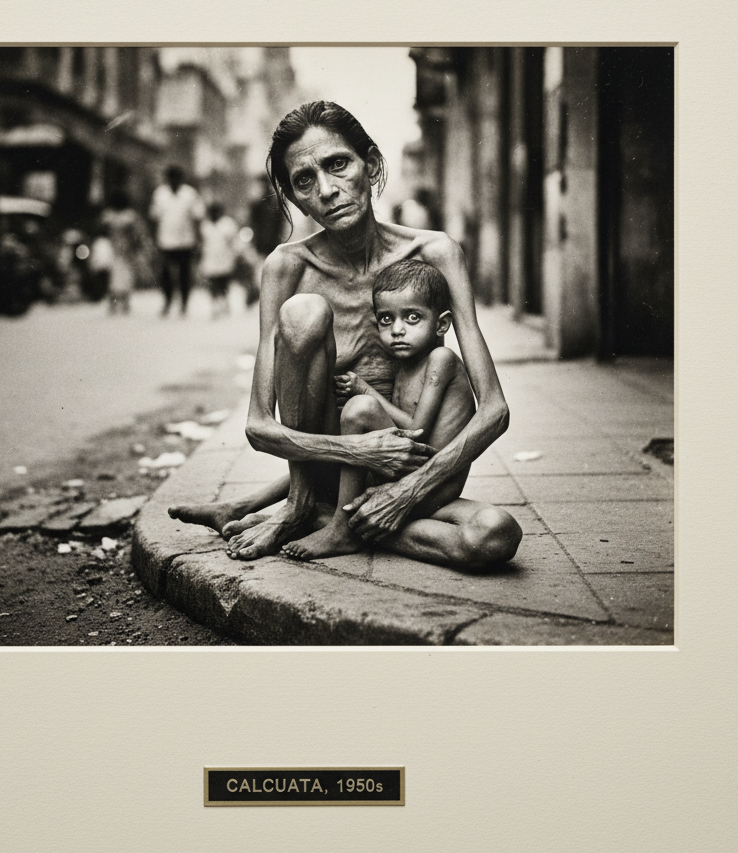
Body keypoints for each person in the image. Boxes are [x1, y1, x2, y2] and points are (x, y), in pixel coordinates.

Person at [168, 101, 521, 572]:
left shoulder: (435, 252)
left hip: (418, 479)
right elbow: (258, 426)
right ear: (294, 199)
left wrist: (405, 492)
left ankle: (325, 519)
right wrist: (356, 449)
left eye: (338, 165)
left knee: (495, 536)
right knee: (304, 313)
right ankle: (304, 506)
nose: (328, 191)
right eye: (304, 180)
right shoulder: (286, 268)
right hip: (337, 469)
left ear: (370, 166)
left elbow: (494, 409)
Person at [281, 259, 475, 560]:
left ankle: (341, 529)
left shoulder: (442, 359)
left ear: (441, 324)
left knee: (361, 409)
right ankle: (279, 508)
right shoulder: (405, 365)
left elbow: (416, 432)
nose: (397, 330)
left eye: (412, 318)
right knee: (341, 434)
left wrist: (365, 391)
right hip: (409, 475)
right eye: (386, 319)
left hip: (429, 485)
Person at [149, 165, 204, 316]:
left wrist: (199, 240)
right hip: (165, 241)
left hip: (186, 241)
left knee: (184, 274)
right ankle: (167, 300)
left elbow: (197, 218)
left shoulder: (190, 194)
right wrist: (154, 239)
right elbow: (154, 218)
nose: (174, 181)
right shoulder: (160, 194)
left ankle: (184, 303)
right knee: (165, 273)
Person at [99, 194, 140, 314]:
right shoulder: (109, 215)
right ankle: (114, 301)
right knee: (114, 275)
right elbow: (102, 229)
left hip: (125, 248)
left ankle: (124, 301)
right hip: (112, 247)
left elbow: (134, 233)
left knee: (124, 274)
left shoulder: (128, 215)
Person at [200, 202, 239, 319]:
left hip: (224, 258)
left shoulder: (228, 224)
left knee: (223, 281)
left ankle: (224, 302)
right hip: (210, 258)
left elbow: (234, 240)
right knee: (212, 282)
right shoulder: (205, 225)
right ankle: (215, 304)